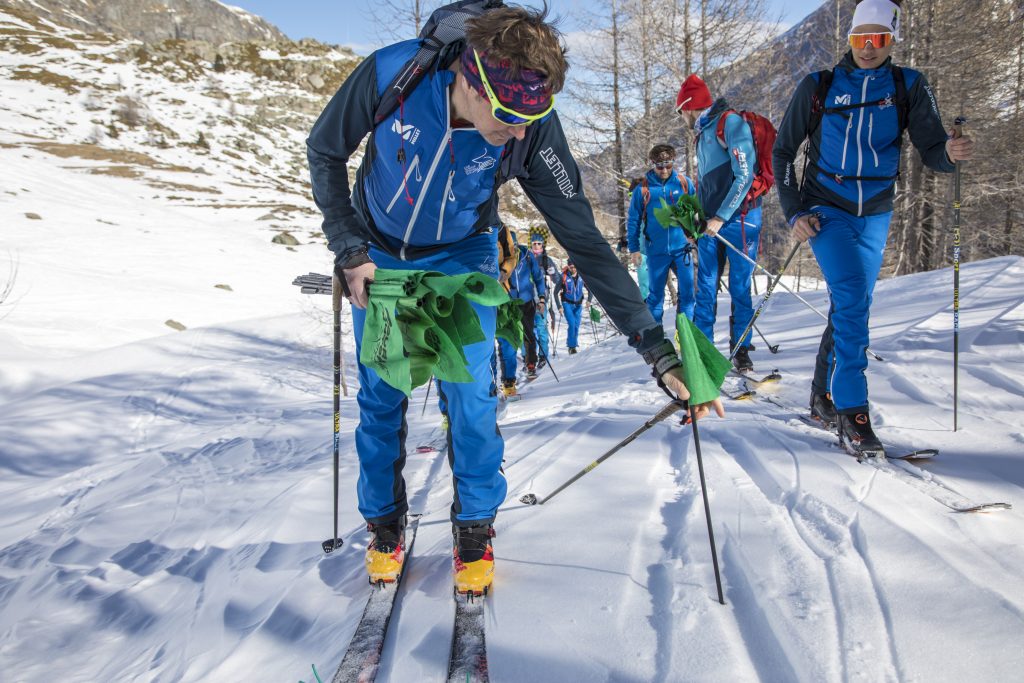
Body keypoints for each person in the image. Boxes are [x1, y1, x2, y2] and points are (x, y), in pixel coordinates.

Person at [306, 4, 723, 597]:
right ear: (469, 81)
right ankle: (385, 526)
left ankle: (474, 528)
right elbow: (324, 150)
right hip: (379, 254)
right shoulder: (394, 74)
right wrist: (349, 250)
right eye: (510, 116)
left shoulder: (531, 130)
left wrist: (656, 348)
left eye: (537, 114)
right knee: (382, 396)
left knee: (470, 395)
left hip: (461, 256)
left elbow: (582, 238)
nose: (522, 131)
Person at [772, 0, 973, 455]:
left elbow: (932, 149)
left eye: (878, 39)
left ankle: (823, 396)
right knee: (852, 305)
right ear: (849, 39)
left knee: (853, 303)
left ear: (892, 40)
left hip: (877, 211)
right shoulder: (820, 86)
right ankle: (853, 413)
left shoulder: (908, 86)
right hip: (827, 209)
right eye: (860, 38)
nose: (867, 47)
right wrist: (794, 212)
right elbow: (783, 152)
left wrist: (951, 153)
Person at [676, 73, 763, 372]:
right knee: (706, 286)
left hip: (740, 220)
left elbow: (744, 176)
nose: (681, 118)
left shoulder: (730, 123)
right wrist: (696, 223)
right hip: (710, 224)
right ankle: (703, 349)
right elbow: (706, 185)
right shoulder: (703, 131)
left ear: (689, 106)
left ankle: (741, 350)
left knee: (740, 286)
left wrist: (721, 216)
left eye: (680, 111)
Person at [627, 144, 697, 325]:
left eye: (668, 165)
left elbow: (696, 211)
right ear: (652, 164)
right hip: (656, 251)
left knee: (688, 295)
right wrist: (634, 249)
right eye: (659, 166)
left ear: (673, 162)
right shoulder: (643, 189)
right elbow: (633, 220)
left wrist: (696, 234)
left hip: (682, 249)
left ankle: (685, 337)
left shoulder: (683, 183)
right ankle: (656, 340)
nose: (664, 170)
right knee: (656, 297)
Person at [498, 230, 545, 393]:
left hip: (526, 302)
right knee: (507, 341)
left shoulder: (527, 255)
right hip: (508, 304)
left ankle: (531, 363)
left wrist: (542, 298)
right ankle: (508, 380)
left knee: (529, 335)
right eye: (510, 248)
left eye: (514, 247)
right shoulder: (500, 258)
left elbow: (538, 277)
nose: (513, 251)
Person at [529, 228, 561, 338]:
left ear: (542, 245)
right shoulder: (526, 257)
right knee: (530, 328)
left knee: (541, 328)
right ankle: (530, 355)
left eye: (539, 243)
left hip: (542, 297)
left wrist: (553, 273)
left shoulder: (547, 260)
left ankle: (543, 354)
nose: (536, 246)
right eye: (534, 243)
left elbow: (557, 280)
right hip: (527, 296)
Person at [558, 259, 590, 353]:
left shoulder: (582, 276)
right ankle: (571, 347)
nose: (574, 269)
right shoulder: (563, 276)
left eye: (575, 267)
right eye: (571, 267)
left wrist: (589, 300)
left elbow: (590, 289)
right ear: (568, 266)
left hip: (578, 304)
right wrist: (559, 306)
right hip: (567, 303)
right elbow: (556, 292)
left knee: (576, 325)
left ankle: (573, 345)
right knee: (572, 323)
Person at [534, 297, 550, 366]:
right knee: (529, 332)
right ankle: (529, 359)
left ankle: (542, 357)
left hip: (540, 305)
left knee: (542, 332)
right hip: (527, 304)